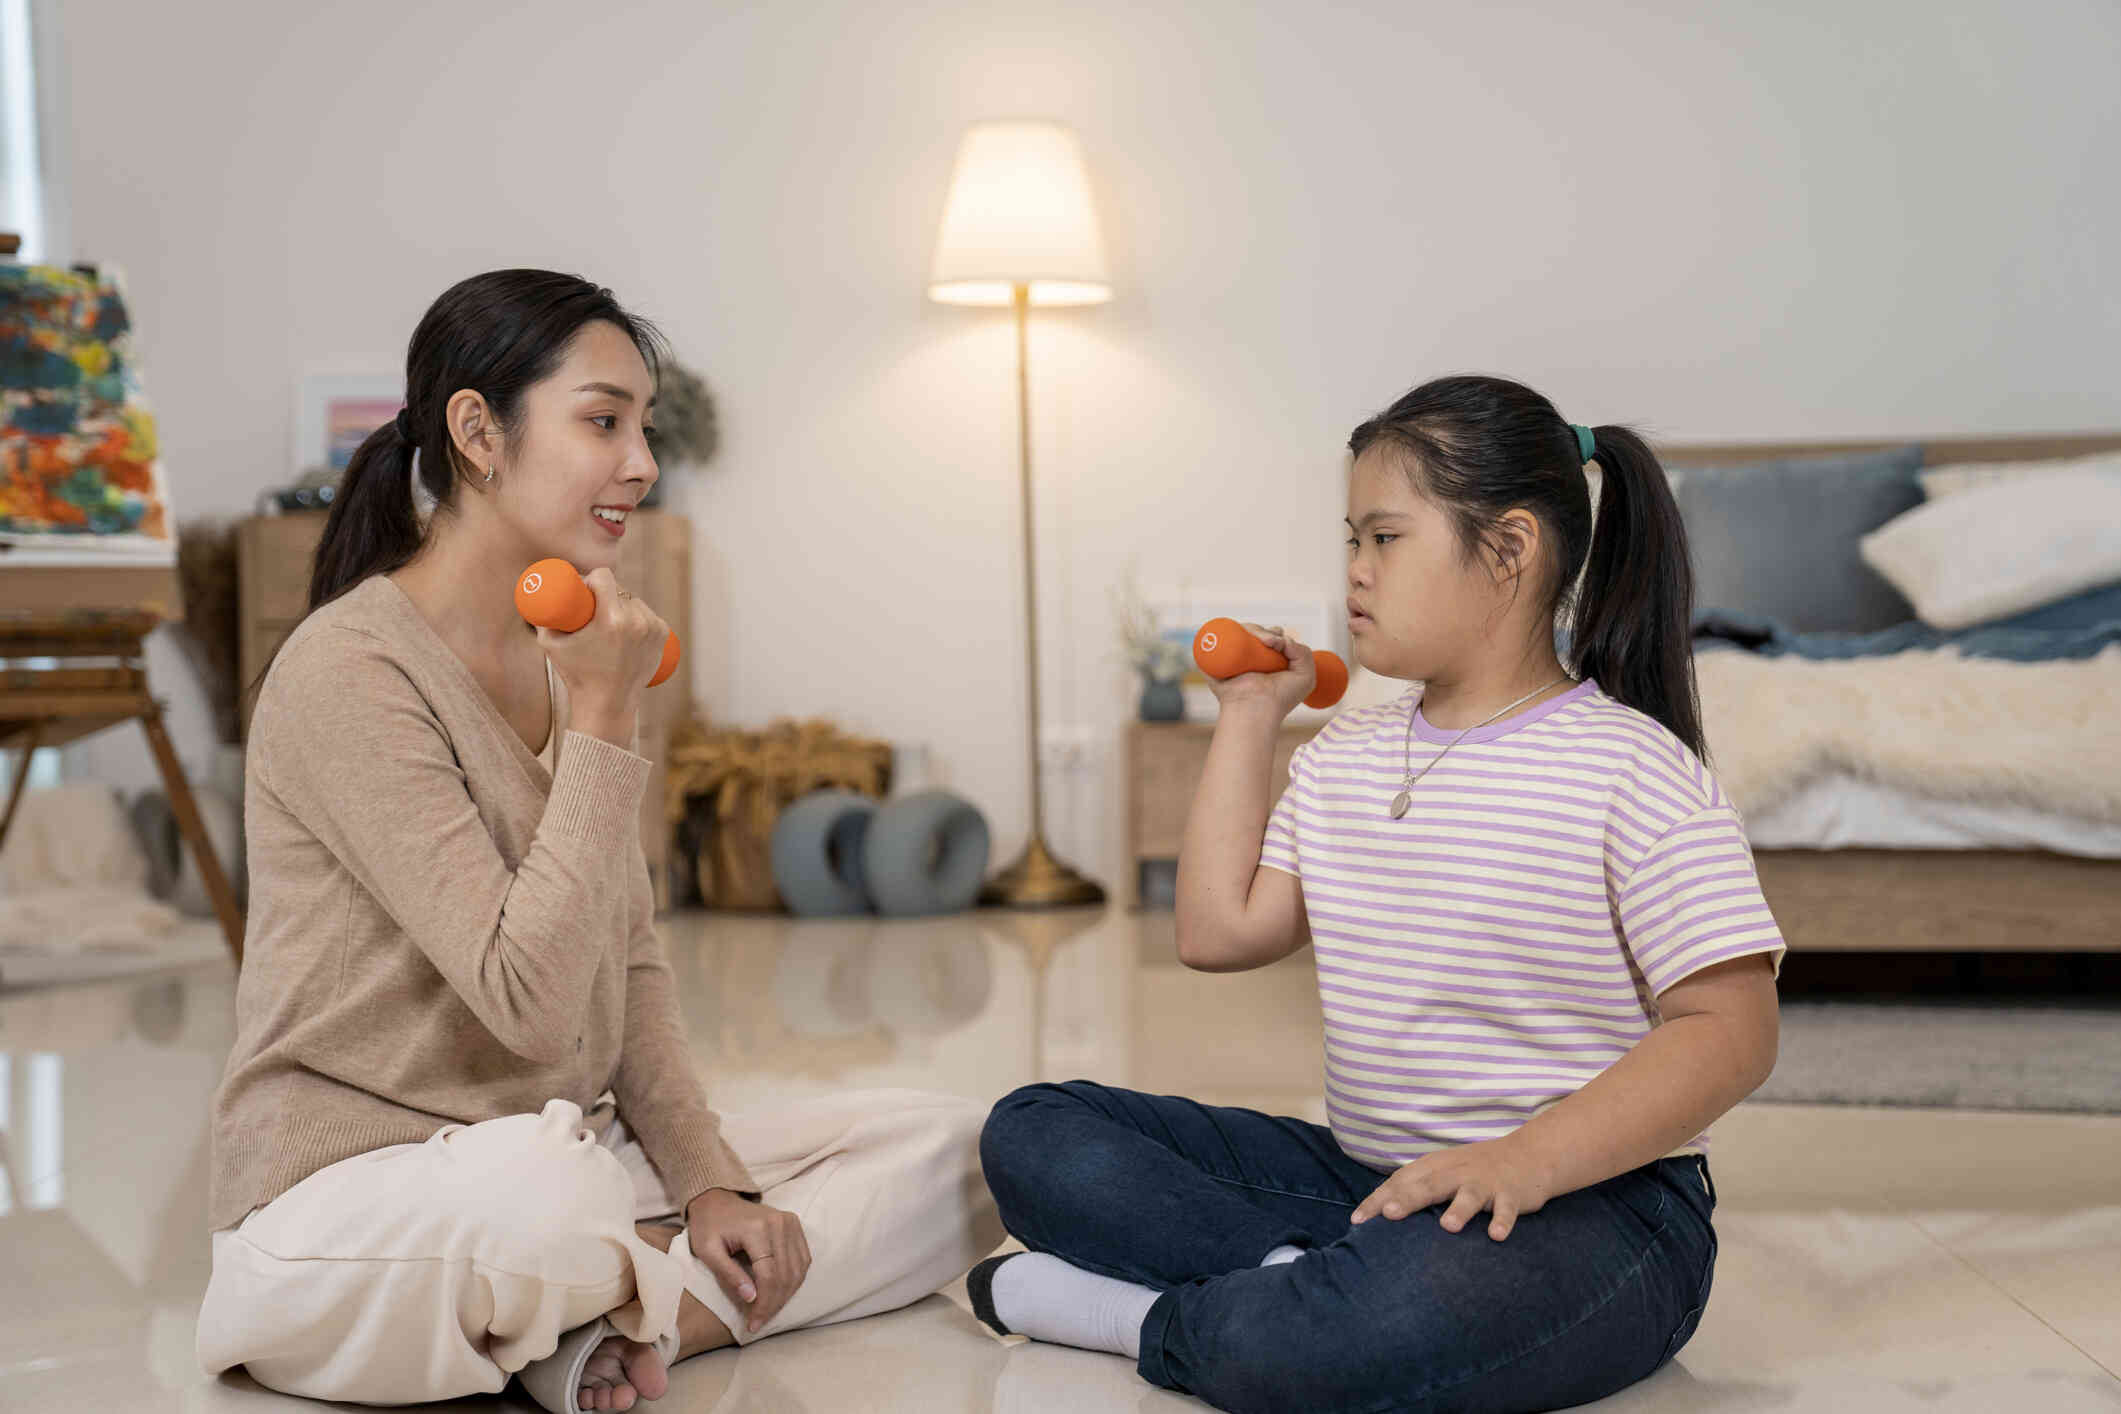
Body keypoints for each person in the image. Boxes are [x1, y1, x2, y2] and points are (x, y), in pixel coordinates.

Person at [197, 270, 1000, 1413]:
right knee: (547, 1196)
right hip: (349, 1209)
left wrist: (714, 1183)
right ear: (478, 432)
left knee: (962, 1151)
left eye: (646, 427)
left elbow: (624, 966)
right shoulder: (349, 671)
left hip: (554, 1162)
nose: (642, 463)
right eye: (603, 420)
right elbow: (525, 999)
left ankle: (591, 1332)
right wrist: (611, 720)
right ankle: (620, 1292)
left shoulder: (573, 653)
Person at [973, 374, 1783, 1413]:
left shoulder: (1635, 770)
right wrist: (1252, 714)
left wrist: (1528, 1159)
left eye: (1384, 539)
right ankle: (1292, 1288)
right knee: (1033, 1131)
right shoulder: (1346, 752)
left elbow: (1732, 1030)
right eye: (1349, 539)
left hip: (1601, 1205)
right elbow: (1219, 932)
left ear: (1511, 550)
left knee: (1385, 1320)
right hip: (1368, 1182)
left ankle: (1155, 1319)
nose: (1353, 572)